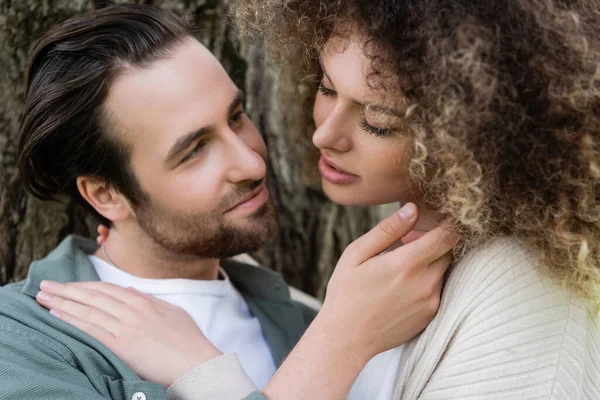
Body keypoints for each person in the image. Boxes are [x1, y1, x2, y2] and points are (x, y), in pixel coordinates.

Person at [39, 0, 600, 399]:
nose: (322, 136)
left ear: (469, 131)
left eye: (377, 121)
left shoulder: (522, 297)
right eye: (326, 89)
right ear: (104, 195)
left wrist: (206, 375)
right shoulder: (357, 286)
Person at [0, 4, 457, 400]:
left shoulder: (299, 318)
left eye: (236, 117)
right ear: (107, 195)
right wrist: (342, 342)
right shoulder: (22, 342)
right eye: (194, 150)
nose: (253, 164)